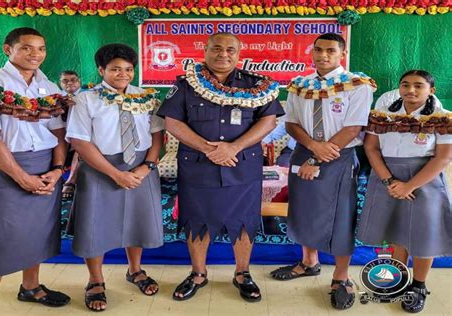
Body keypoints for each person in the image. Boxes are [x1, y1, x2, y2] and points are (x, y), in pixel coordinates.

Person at [157, 32, 284, 303]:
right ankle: (198, 274)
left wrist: (233, 148)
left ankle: (242, 274)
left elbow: (269, 122)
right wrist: (210, 150)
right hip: (198, 167)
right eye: (216, 48)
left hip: (242, 166)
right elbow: (172, 123)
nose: (223, 54)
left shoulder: (256, 85)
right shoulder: (186, 85)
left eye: (230, 49)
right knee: (196, 221)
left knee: (244, 222)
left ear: (239, 53)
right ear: (205, 50)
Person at [270, 33, 375, 310]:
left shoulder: (357, 84)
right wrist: (313, 148)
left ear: (342, 52)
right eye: (318, 50)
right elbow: (291, 124)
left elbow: (354, 128)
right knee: (303, 208)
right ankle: (309, 262)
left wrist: (318, 158)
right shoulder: (299, 84)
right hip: (305, 150)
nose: (323, 55)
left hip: (338, 155)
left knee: (340, 214)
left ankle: (341, 277)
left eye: (330, 50)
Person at [0, 27, 70, 316]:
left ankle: (31, 287)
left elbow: (59, 134)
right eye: (27, 48)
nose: (36, 54)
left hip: (45, 168)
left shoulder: (49, 86)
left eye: (41, 48)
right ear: (8, 49)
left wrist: (57, 171)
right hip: (8, 168)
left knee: (39, 234)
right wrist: (22, 177)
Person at [66, 43, 164, 312]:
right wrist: (115, 174)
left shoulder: (146, 96)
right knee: (94, 224)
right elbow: (80, 141)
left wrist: (147, 167)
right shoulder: (86, 99)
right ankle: (96, 281)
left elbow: (157, 135)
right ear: (101, 70)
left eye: (129, 69)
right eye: (115, 69)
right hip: (100, 168)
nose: (123, 74)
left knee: (136, 221)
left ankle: (135, 270)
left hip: (140, 167)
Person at [357, 70, 452, 313]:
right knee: (397, 231)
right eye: (405, 85)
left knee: (423, 234)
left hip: (424, 181)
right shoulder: (383, 116)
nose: (410, 90)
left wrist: (410, 186)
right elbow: (371, 148)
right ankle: (398, 280)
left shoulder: (442, 118)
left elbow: (443, 158)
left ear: (431, 90)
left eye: (418, 86)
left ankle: (418, 285)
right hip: (386, 178)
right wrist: (389, 181)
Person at [58, 70, 82, 201]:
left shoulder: (88, 96)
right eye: (65, 81)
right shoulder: (56, 98)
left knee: (82, 145)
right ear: (60, 83)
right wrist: (62, 106)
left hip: (82, 134)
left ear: (79, 81)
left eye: (73, 80)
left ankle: (71, 180)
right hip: (62, 133)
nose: (70, 83)